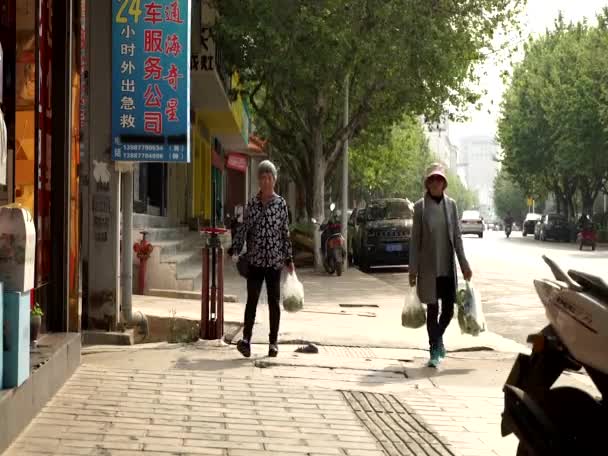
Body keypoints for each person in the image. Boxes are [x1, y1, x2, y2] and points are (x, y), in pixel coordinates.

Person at [409, 163, 473, 368]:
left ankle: (437, 340)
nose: (436, 183)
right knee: (432, 310)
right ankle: (434, 349)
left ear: (444, 183)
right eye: (432, 180)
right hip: (428, 269)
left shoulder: (451, 205)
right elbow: (415, 240)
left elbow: (457, 236)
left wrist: (464, 263)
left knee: (448, 311)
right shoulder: (420, 207)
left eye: (439, 180)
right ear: (427, 183)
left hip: (446, 266)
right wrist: (412, 270)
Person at [228, 160, 294, 358]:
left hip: (274, 261)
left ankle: (273, 342)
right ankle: (246, 340)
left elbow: (285, 233)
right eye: (263, 178)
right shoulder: (253, 204)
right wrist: (235, 249)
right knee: (252, 301)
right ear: (258, 180)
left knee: (274, 303)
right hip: (255, 260)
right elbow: (244, 229)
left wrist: (289, 259)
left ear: (274, 180)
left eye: (269, 178)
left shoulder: (281, 203)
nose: (266, 181)